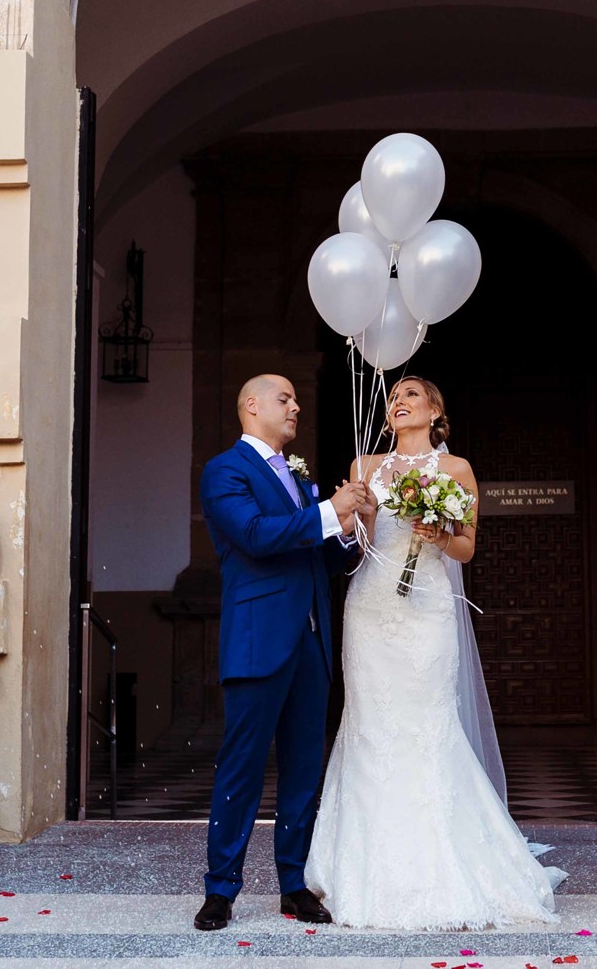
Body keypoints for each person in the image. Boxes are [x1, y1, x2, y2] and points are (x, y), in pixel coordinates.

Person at [306, 376, 564, 930]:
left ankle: (445, 858)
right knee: (370, 724)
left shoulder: (457, 471)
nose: (398, 403)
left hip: (428, 612)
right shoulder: (364, 466)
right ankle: (359, 863)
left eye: (411, 396)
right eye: (393, 397)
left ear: (435, 411)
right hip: (371, 608)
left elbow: (466, 549)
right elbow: (357, 544)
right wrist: (359, 515)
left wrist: (437, 533)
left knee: (428, 724)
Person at [194, 375, 366, 932]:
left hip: (311, 639)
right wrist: (326, 513)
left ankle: (294, 884)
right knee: (241, 768)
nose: (296, 407)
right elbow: (254, 535)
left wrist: (352, 529)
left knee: (303, 770)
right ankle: (221, 889)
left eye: (295, 400)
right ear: (251, 405)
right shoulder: (224, 470)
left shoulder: (301, 477)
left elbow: (320, 559)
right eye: (284, 399)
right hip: (258, 640)